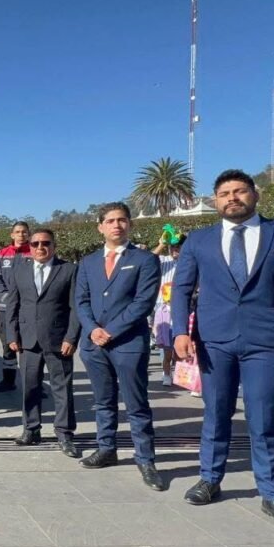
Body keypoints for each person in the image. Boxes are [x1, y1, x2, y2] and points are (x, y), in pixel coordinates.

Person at [172, 169, 274, 540]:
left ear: (255, 195)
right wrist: (179, 331)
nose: (232, 198)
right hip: (214, 342)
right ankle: (210, 479)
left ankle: (272, 495)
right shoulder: (199, 240)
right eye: (224, 193)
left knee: (262, 420)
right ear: (216, 200)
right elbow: (181, 288)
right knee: (216, 413)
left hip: (269, 342)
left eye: (240, 191)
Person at [75, 202, 164, 490]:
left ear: (130, 224)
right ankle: (106, 448)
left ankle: (146, 459)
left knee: (136, 405)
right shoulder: (87, 263)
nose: (116, 225)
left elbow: (143, 303)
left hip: (127, 343)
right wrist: (92, 330)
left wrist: (110, 331)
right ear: (100, 226)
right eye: (110, 220)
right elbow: (81, 300)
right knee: (103, 402)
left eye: (122, 220)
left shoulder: (145, 260)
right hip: (94, 345)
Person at [6, 229, 81, 457]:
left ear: (53, 246)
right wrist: (11, 335)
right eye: (35, 243)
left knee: (62, 389)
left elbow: (75, 308)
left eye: (45, 243)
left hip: (58, 341)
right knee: (30, 388)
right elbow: (13, 305)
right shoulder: (20, 270)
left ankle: (65, 434)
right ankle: (31, 429)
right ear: (29, 247)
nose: (40, 247)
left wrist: (71, 337)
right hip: (28, 340)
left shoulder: (68, 270)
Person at [0, 221, 32, 392]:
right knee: (8, 345)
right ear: (12, 234)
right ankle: (8, 381)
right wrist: (9, 298)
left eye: (24, 232)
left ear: (28, 234)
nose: (21, 235)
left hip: (28, 308)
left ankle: (33, 385)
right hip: (5, 308)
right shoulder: (1, 254)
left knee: (30, 346)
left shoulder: (35, 252)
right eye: (17, 232)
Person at [151, 233, 187, 387]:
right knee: (166, 348)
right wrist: (162, 244)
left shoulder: (188, 262)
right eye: (173, 247)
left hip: (183, 307)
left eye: (178, 247)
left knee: (181, 345)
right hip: (163, 309)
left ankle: (181, 375)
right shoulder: (163, 261)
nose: (175, 250)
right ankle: (166, 374)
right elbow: (149, 259)